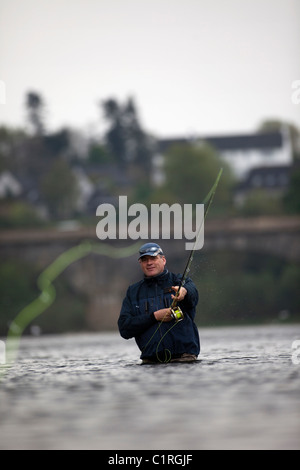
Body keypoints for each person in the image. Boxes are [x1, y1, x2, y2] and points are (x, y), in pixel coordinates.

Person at [118, 242, 200, 364]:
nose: (149, 263)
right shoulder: (133, 292)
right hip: (150, 362)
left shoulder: (181, 281)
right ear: (140, 263)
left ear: (163, 260)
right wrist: (154, 317)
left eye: (153, 258)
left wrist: (184, 292)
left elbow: (193, 294)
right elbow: (124, 328)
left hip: (184, 359)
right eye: (145, 260)